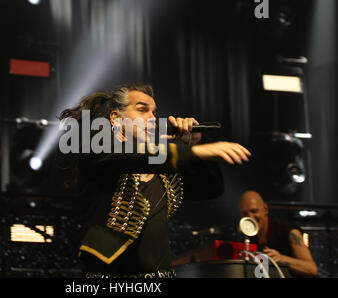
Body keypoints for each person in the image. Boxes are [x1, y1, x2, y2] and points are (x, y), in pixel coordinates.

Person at [59, 83, 251, 278]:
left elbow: (211, 188)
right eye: (142, 110)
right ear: (116, 118)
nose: (152, 118)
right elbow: (130, 156)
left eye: (154, 112)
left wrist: (195, 141)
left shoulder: (162, 167)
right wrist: (194, 152)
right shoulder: (99, 149)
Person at [239, 190, 318, 277]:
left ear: (265, 209)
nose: (250, 217)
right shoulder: (248, 236)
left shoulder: (288, 231)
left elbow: (311, 269)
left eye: (254, 211)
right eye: (245, 213)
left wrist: (281, 258)